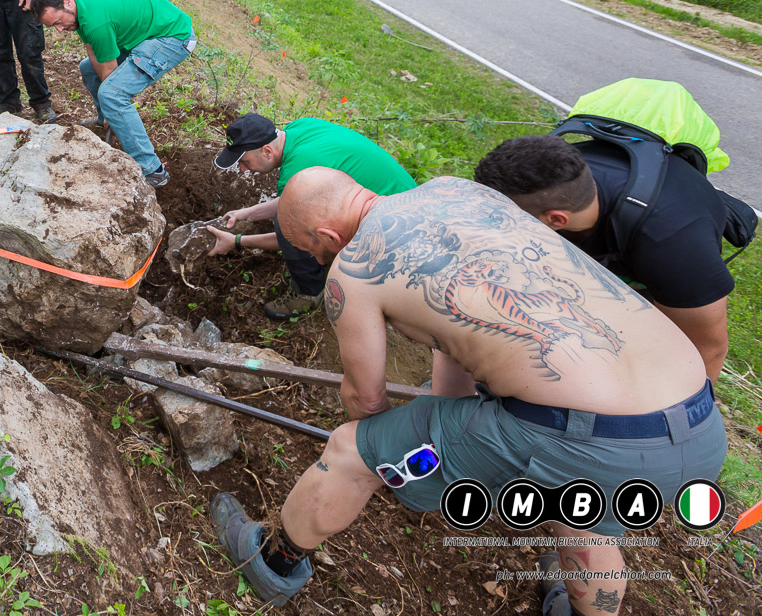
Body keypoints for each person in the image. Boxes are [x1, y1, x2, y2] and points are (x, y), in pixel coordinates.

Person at [210, 169, 724, 615]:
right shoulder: (460, 192)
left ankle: (274, 563)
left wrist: (387, 453)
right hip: (698, 420)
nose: (319, 259)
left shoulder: (355, 266)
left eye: (312, 250)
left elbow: (366, 403)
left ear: (326, 232)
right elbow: (455, 327)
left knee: (349, 451)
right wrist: (445, 430)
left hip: (585, 440)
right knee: (589, 514)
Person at [475, 134, 736, 382]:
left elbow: (708, 348)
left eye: (502, 218)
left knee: (636, 351)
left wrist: (686, 421)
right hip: (603, 229)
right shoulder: (550, 178)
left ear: (556, 219)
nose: (495, 224)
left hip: (665, 246)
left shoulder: (673, 246)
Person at [209, 113, 417, 319]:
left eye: (245, 161)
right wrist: (247, 214)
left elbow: (290, 231)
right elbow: (289, 201)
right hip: (412, 200)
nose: (243, 168)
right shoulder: (301, 127)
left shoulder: (297, 168)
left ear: (266, 151)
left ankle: (308, 292)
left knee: (285, 223)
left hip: (400, 230)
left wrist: (237, 241)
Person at [31, 0, 195, 187]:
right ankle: (106, 120)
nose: (60, 30)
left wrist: (112, 105)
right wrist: (109, 113)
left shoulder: (95, 19)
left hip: (172, 38)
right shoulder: (78, 4)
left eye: (58, 22)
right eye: (53, 26)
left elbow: (109, 72)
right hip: (143, 35)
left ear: (67, 1)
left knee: (113, 95)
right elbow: (92, 50)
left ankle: (153, 170)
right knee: (87, 69)